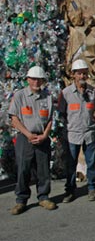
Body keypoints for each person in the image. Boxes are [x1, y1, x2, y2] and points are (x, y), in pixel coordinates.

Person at [9, 66, 57, 215]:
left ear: (43, 80)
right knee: (23, 168)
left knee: (43, 169)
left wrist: (45, 135)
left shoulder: (47, 97)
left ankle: (43, 197)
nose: (36, 82)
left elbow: (50, 119)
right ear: (28, 80)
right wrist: (28, 134)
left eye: (39, 79)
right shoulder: (20, 96)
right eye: (33, 79)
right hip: (25, 138)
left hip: (42, 138)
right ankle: (21, 200)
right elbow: (14, 119)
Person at [58, 59, 95, 203]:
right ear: (73, 75)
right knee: (71, 164)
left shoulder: (93, 91)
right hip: (73, 135)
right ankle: (70, 190)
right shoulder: (66, 93)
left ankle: (92, 188)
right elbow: (61, 114)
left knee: (91, 162)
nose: (82, 76)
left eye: (84, 73)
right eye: (79, 73)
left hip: (89, 133)